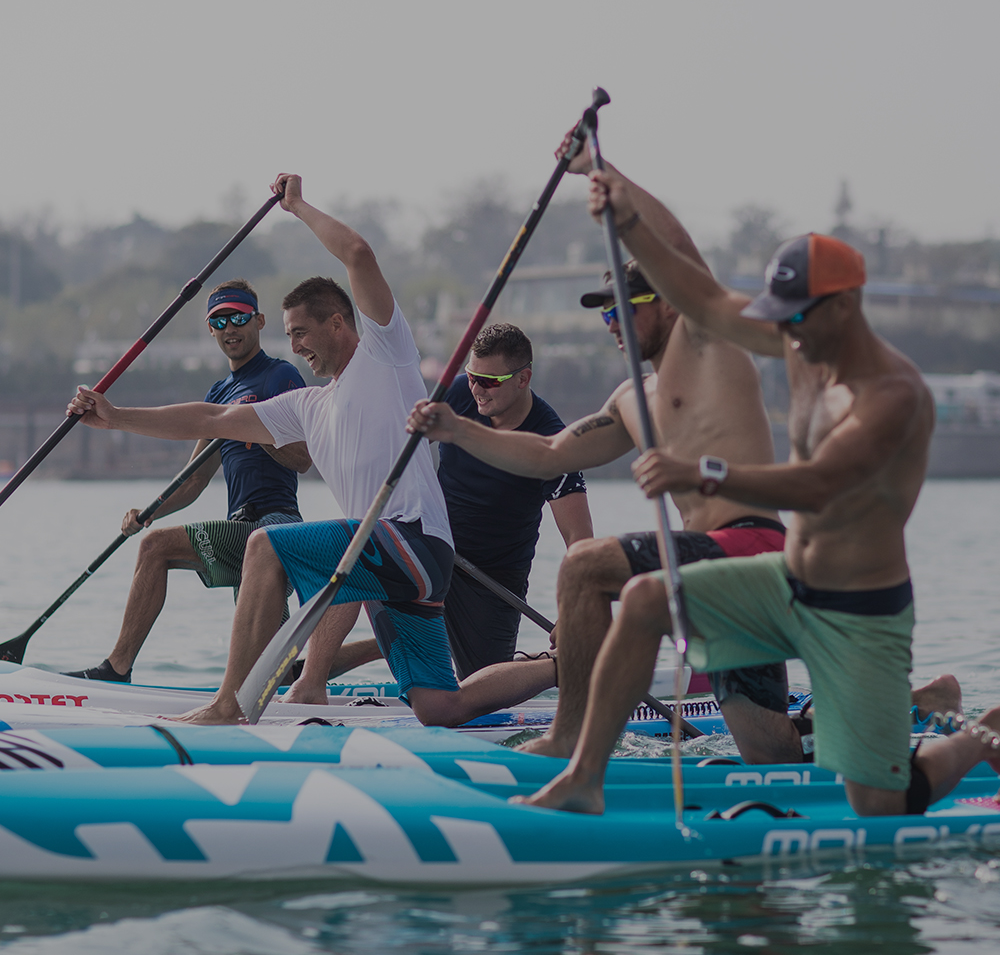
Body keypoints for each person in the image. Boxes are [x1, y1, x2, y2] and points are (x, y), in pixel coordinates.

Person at [512, 166, 1000, 816]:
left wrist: (705, 473)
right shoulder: (800, 342)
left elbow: (821, 481)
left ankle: (976, 736)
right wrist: (624, 217)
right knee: (645, 598)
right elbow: (705, 299)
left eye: (795, 316)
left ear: (847, 306)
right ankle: (583, 778)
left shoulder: (894, 395)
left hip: (860, 610)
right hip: (783, 579)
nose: (783, 333)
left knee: (881, 803)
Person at [66, 173, 557, 725]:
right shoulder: (307, 406)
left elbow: (358, 252)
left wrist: (297, 206)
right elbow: (211, 417)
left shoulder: (385, 355)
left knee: (265, 546)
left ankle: (229, 706)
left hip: (412, 540)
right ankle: (563, 663)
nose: (294, 345)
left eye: (301, 331)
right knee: (440, 706)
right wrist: (117, 417)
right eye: (289, 334)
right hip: (396, 565)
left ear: (340, 322)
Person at [408, 137, 803, 765]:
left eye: (625, 306)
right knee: (770, 753)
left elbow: (681, 255)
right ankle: (923, 735)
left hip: (750, 548)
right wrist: (455, 430)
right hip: (707, 574)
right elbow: (544, 457)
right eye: (603, 313)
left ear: (669, 305)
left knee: (585, 565)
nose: (613, 322)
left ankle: (568, 741)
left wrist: (600, 171)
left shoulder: (707, 343)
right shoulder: (631, 400)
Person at [283, 321, 593, 703]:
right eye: (472, 375)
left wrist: (574, 606)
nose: (477, 389)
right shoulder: (460, 395)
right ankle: (309, 682)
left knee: (476, 697)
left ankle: (555, 663)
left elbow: (579, 540)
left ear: (523, 378)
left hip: (493, 579)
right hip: (434, 549)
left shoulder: (552, 441)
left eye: (490, 381)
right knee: (357, 551)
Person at [64, 279, 310, 683]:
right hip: (240, 530)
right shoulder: (218, 392)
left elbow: (303, 459)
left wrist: (256, 429)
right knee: (271, 668)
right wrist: (147, 513)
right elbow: (193, 482)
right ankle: (345, 663)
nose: (230, 328)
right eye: (219, 321)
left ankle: (116, 669)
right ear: (211, 330)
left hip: (276, 526)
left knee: (157, 549)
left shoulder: (280, 376)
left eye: (239, 318)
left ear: (259, 321)